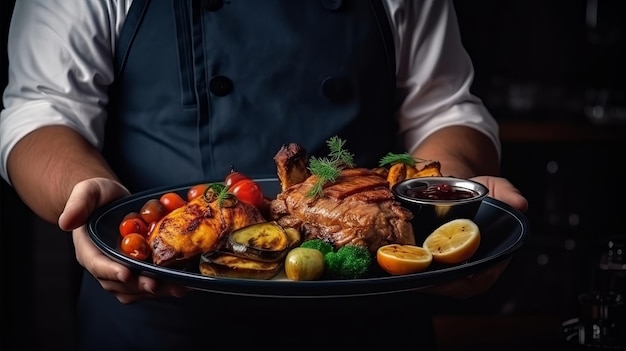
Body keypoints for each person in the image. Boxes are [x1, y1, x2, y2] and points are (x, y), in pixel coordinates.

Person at [1, 0, 528, 350]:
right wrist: (84, 193)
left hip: (368, 315)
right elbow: (41, 113)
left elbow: (447, 111)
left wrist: (446, 202)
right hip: (159, 317)